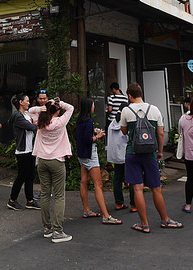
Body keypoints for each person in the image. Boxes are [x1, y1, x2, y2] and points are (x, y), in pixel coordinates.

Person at [120, 82, 182, 233]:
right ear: (141, 94)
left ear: (130, 96)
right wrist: (159, 152)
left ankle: (144, 224)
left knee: (138, 188)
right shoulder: (154, 109)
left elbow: (124, 131)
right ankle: (165, 220)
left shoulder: (126, 111)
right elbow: (160, 133)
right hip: (150, 154)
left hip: (133, 153)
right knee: (156, 188)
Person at [30, 97, 74, 243]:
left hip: (42, 160)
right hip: (57, 160)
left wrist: (41, 107)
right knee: (59, 196)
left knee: (45, 194)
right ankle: (58, 231)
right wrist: (60, 102)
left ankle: (47, 228)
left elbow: (30, 111)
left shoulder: (40, 122)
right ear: (57, 111)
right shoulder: (60, 122)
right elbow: (71, 108)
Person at [75, 97, 122, 225]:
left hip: (81, 154)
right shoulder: (88, 121)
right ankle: (106, 215)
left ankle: (86, 210)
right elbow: (88, 140)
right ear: (89, 107)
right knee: (98, 184)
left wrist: (93, 132)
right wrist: (98, 136)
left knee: (84, 181)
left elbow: (81, 137)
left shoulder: (79, 120)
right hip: (90, 155)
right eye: (93, 105)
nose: (94, 107)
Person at [7, 94, 40, 211]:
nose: (29, 103)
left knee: (30, 175)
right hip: (22, 150)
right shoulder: (17, 115)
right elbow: (31, 127)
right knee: (21, 176)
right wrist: (37, 125)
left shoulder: (27, 114)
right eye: (27, 101)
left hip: (30, 149)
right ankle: (12, 200)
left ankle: (30, 200)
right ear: (21, 102)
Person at [106, 107, 135, 212]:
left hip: (116, 156)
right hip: (127, 154)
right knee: (132, 179)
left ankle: (119, 203)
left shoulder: (112, 124)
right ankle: (134, 205)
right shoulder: (125, 124)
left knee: (117, 179)